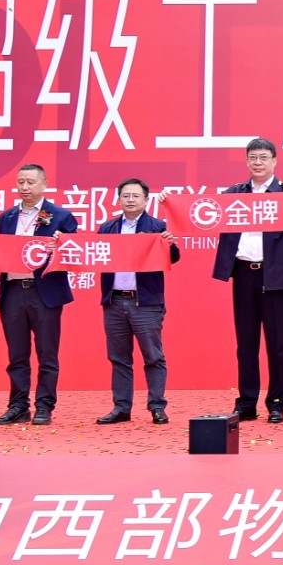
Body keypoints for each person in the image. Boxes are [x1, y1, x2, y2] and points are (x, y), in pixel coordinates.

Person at [210, 138, 283, 424]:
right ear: (246, 161)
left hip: (276, 277)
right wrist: (169, 202)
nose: (258, 162)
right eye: (253, 157)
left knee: (277, 343)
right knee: (246, 343)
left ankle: (276, 403)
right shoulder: (233, 194)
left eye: (263, 157)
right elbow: (203, 213)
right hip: (243, 274)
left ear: (274, 161)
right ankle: (247, 403)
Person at [0, 164, 77, 426]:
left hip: (44, 292)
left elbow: (74, 253)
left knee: (47, 353)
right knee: (17, 354)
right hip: (13, 290)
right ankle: (18, 406)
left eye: (30, 182)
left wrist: (61, 244)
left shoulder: (61, 216)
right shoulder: (6, 217)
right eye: (21, 182)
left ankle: (44, 406)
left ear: (44, 184)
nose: (24, 187)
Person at [95, 178, 180, 426]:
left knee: (153, 356)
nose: (130, 200)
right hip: (114, 301)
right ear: (118, 199)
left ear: (146, 200)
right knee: (119, 358)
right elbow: (94, 255)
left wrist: (169, 245)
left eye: (135, 196)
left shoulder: (157, 226)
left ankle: (157, 406)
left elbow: (173, 258)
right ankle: (121, 407)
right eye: (126, 196)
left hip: (145, 302)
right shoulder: (107, 228)